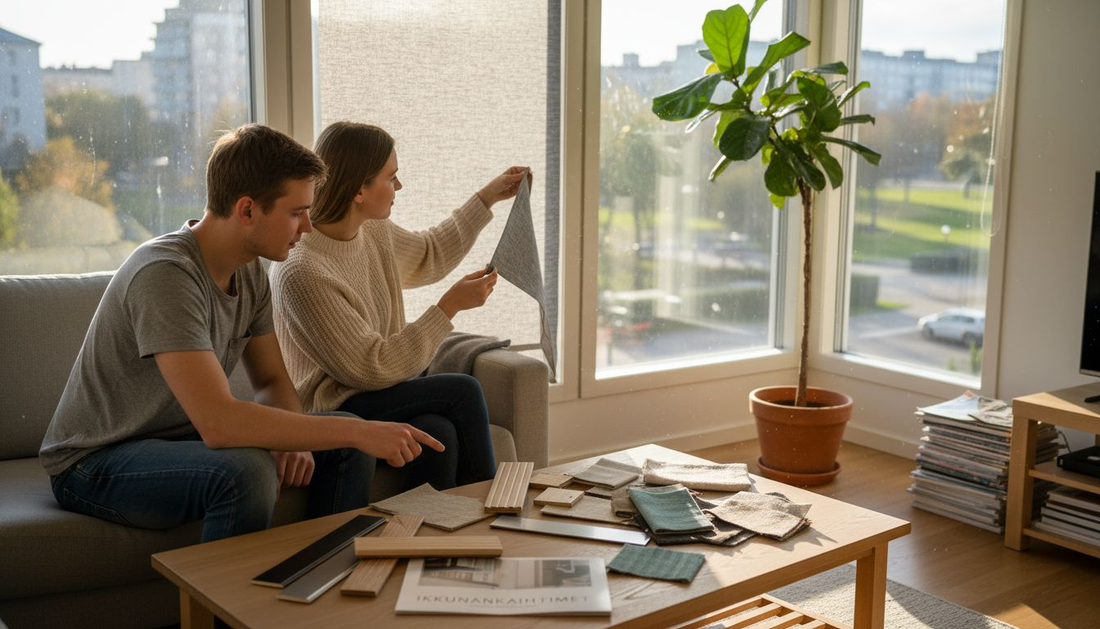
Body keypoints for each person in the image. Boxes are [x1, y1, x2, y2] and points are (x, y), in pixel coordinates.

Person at [39, 124, 444, 543]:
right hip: (96, 461)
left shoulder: (250, 270)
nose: (307, 227)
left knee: (343, 444)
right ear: (247, 210)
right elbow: (219, 422)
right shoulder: (165, 275)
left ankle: (323, 574)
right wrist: (361, 431)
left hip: (180, 440)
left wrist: (301, 436)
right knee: (250, 471)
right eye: (295, 212)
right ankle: (232, 608)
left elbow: (270, 381)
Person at [269, 121, 530, 490]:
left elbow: (430, 254)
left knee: (440, 434)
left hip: (375, 394)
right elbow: (368, 366)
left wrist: (488, 197)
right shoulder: (304, 270)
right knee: (462, 391)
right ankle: (493, 512)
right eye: (391, 177)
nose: (399, 186)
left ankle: (431, 537)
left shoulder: (372, 231)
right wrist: (448, 307)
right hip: (331, 407)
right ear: (360, 189)